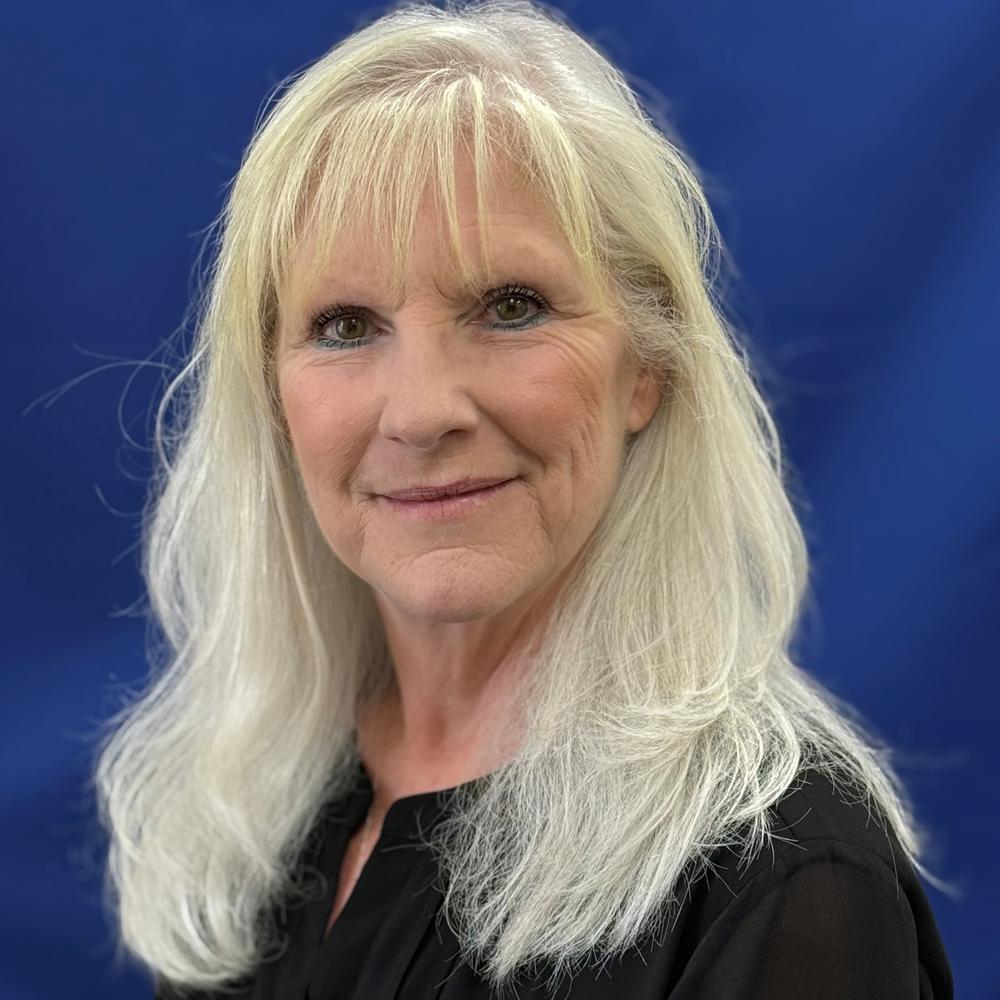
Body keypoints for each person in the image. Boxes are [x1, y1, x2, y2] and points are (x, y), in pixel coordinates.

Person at [93, 1, 956, 997]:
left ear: (647, 366)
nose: (420, 412)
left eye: (511, 307)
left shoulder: (780, 879)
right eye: (343, 325)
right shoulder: (255, 820)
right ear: (275, 400)